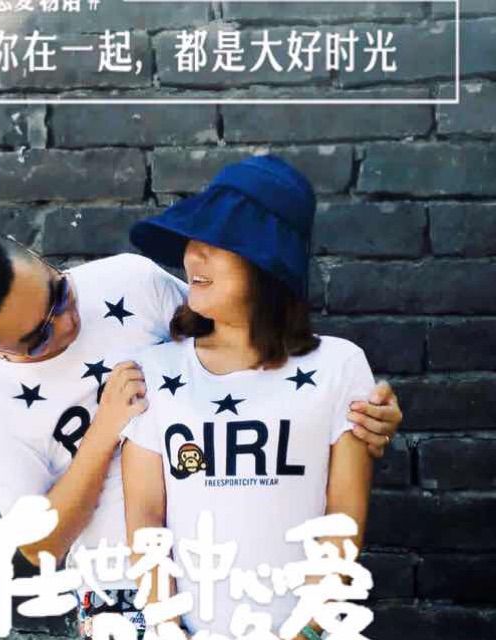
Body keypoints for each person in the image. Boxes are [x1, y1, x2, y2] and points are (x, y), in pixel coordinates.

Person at [0, 174, 402, 638]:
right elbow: (40, 546)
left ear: (36, 257)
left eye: (60, 292)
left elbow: (237, 333)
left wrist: (356, 413)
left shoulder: (129, 282)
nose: (67, 323)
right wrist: (105, 430)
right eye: (39, 337)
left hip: (236, 572)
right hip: (118, 587)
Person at [121, 154, 381, 640]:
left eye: (217, 242)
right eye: (192, 238)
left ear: (267, 261)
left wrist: (307, 632)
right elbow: (145, 517)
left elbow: (342, 517)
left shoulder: (339, 366)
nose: (193, 255)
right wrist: (167, 627)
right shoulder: (153, 371)